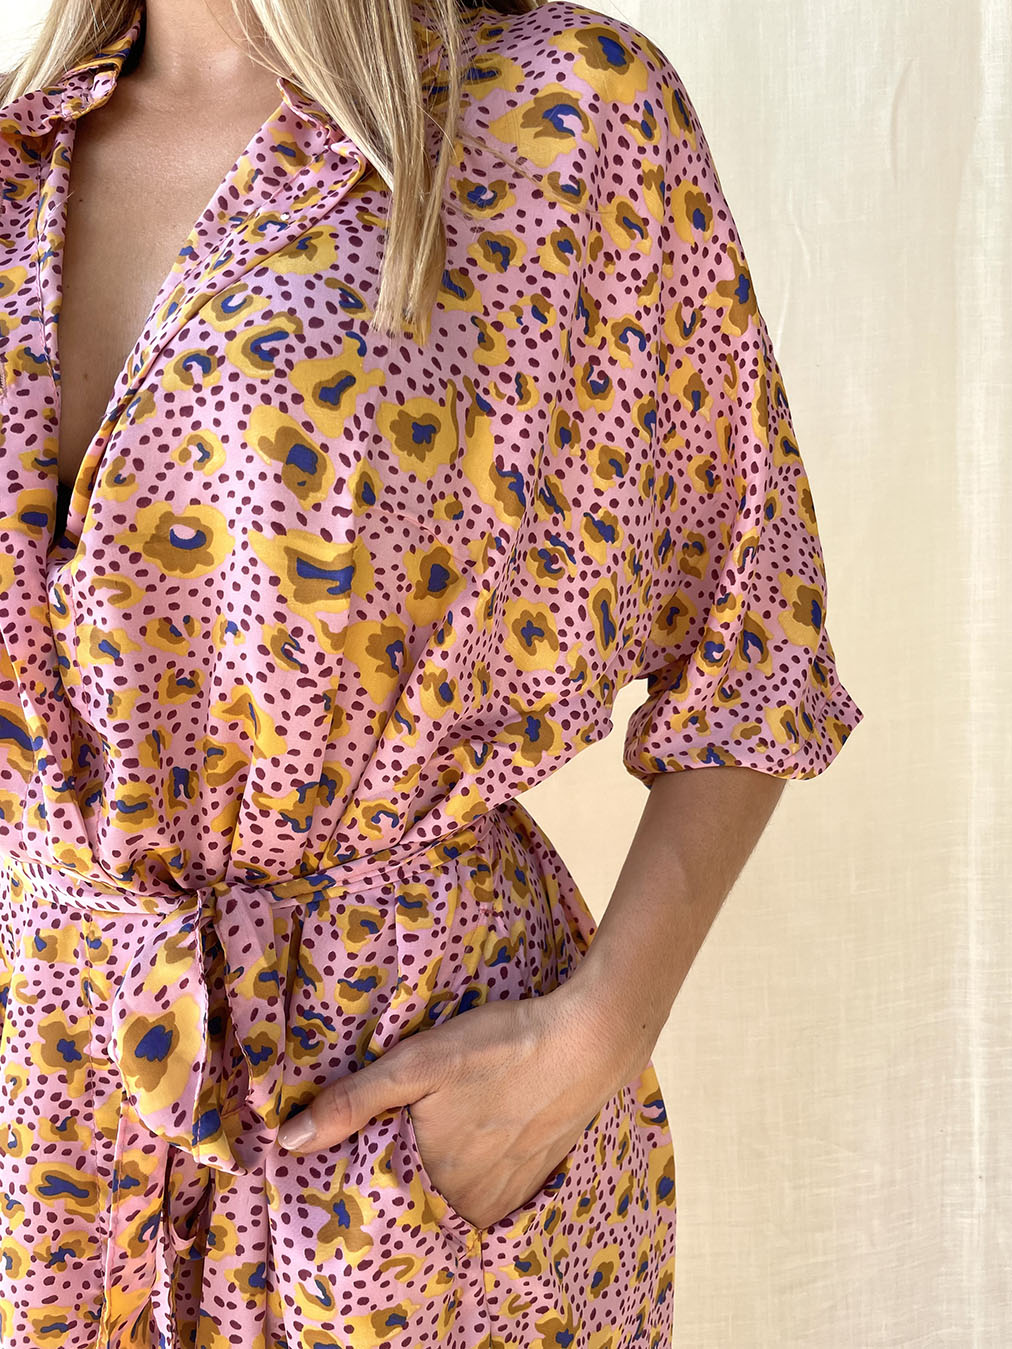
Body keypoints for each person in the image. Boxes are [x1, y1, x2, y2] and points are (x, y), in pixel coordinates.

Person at [0, 1, 864, 1345]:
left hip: (407, 1131)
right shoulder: (18, 166)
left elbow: (754, 635)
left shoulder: (558, 112)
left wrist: (598, 1034)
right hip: (45, 1127)